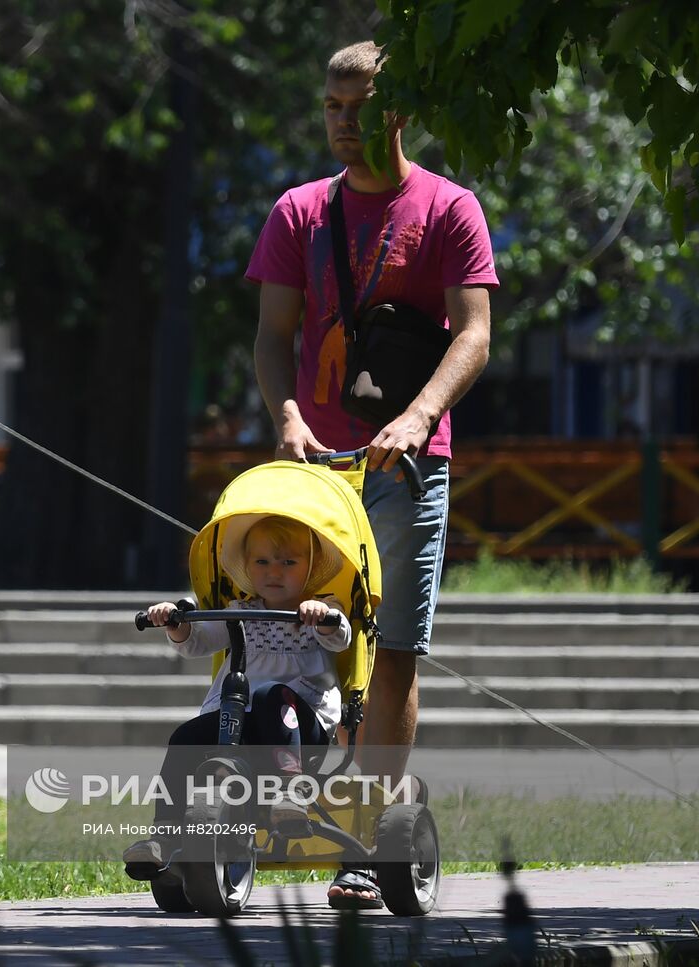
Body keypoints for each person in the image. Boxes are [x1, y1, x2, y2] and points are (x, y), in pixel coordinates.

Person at [247, 40, 497, 909]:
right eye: (332, 106)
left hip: (408, 462)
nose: (344, 123)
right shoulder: (298, 213)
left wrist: (421, 414)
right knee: (306, 635)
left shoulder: (450, 207)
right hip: (315, 469)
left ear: (399, 113)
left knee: (391, 653)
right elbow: (273, 338)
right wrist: (286, 417)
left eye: (361, 107)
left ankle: (364, 841)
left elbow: (475, 333)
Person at [122, 515, 351, 880]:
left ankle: (289, 793)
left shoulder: (322, 609)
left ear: (311, 569)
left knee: (270, 695)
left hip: (298, 729)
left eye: (288, 563)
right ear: (247, 568)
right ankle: (165, 832)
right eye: (262, 562)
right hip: (240, 727)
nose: (274, 572)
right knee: (186, 738)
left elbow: (340, 636)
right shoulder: (240, 613)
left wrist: (322, 616)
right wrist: (175, 622)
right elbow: (196, 642)